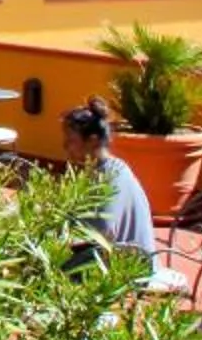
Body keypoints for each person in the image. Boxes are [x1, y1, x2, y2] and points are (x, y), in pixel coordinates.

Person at [61, 97, 155, 261]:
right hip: (114, 260)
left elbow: (100, 238)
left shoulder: (109, 179)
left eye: (71, 140)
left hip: (128, 273)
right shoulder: (110, 169)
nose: (65, 145)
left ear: (92, 141)